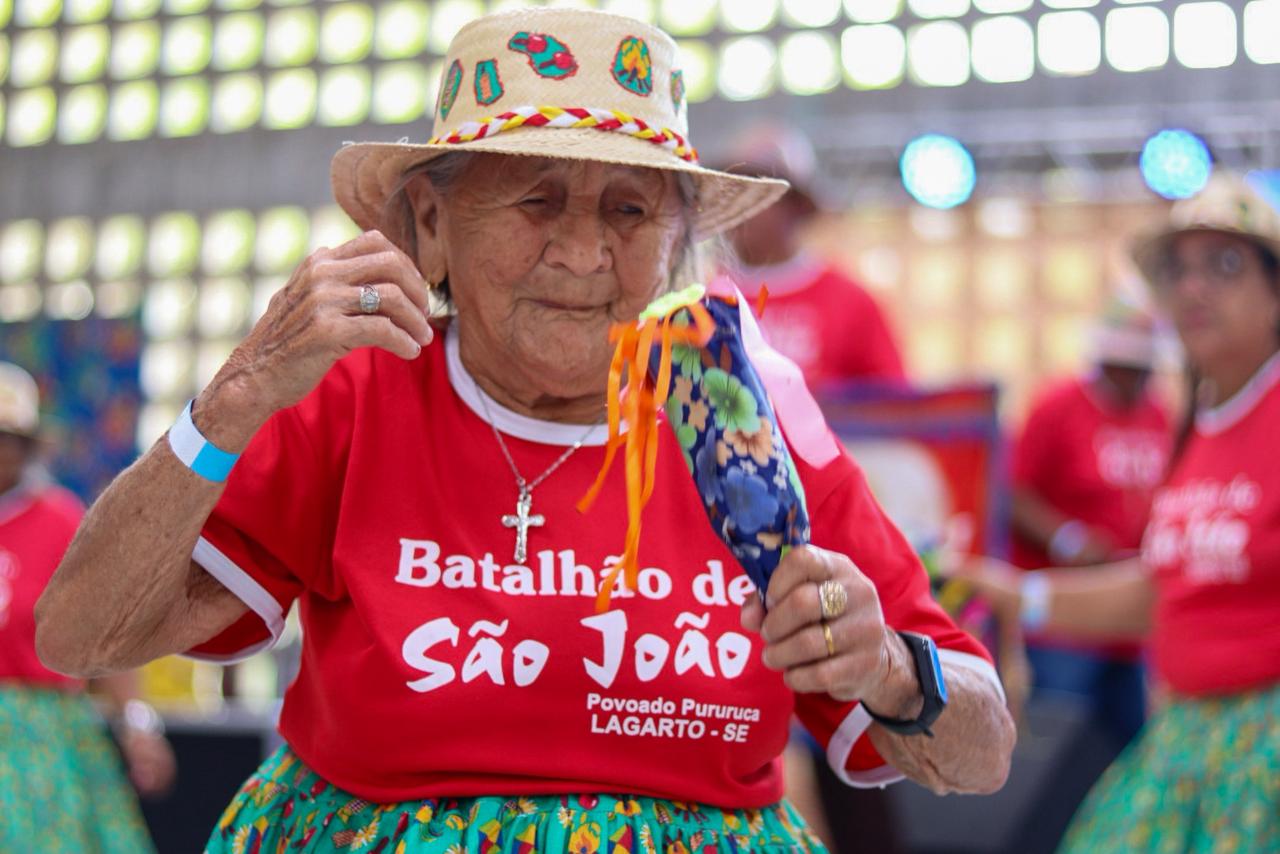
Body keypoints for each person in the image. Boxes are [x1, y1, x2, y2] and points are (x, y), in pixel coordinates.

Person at [36, 9, 1013, 851]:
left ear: (678, 242)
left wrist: (884, 665)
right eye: (535, 197)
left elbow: (981, 748)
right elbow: (80, 634)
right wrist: (233, 399)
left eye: (628, 209)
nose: (583, 251)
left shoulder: (743, 410)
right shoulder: (358, 392)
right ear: (429, 224)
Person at [962, 172, 1280, 853]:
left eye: (1225, 264)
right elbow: (1165, 589)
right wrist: (1023, 596)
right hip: (1187, 740)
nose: (1193, 287)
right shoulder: (1200, 426)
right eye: (1177, 269)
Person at [0, 361, 175, 852]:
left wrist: (137, 726)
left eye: (7, 438)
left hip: (42, 736)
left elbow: (103, 632)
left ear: (27, 447)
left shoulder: (58, 520)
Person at [1009, 298, 1171, 752]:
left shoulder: (1159, 415)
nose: (1138, 378)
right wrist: (1067, 539)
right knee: (1059, 750)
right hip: (1063, 622)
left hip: (1127, 621)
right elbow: (1013, 493)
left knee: (1127, 747)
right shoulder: (1056, 408)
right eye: (1128, 366)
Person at [717, 124, 906, 391]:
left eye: (759, 195)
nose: (741, 209)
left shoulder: (850, 300)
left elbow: (894, 405)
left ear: (796, 207)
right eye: (731, 193)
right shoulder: (703, 297)